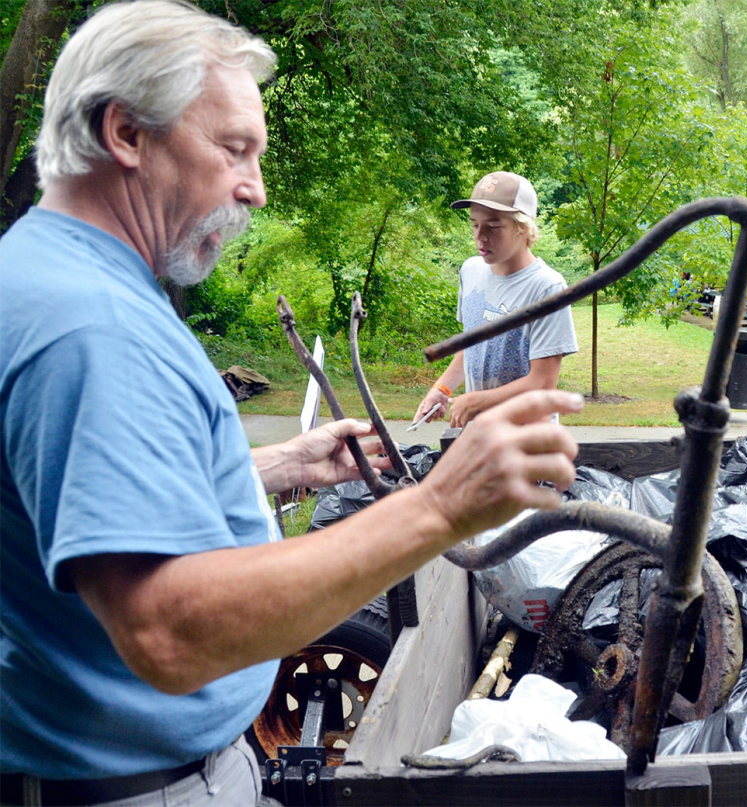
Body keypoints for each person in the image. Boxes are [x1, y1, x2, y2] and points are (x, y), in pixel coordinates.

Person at [0, 3, 584, 803]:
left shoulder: (46, 272)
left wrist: (275, 466)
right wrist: (439, 510)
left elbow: (83, 495)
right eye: (235, 149)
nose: (258, 188)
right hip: (143, 785)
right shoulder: (91, 326)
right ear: (126, 133)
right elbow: (166, 630)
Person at [416, 171, 579, 428]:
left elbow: (543, 383)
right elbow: (471, 348)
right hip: (480, 438)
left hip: (531, 444)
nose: (480, 236)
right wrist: (442, 388)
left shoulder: (547, 287)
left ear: (523, 227)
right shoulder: (470, 271)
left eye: (493, 226)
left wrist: (477, 401)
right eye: (474, 224)